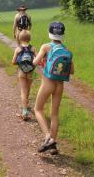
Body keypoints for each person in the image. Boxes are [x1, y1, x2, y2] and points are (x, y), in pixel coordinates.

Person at [32, 22, 74, 154]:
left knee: (37, 109)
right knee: (54, 114)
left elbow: (35, 62)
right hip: (59, 86)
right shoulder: (67, 51)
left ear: (50, 33)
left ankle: (48, 137)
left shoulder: (46, 47)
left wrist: (39, 58)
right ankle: (54, 145)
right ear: (63, 34)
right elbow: (72, 71)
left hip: (47, 83)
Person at [11, 30, 36, 121]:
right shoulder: (33, 48)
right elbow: (36, 61)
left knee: (23, 90)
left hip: (21, 72)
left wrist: (19, 62)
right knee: (28, 89)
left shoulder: (18, 49)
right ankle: (26, 104)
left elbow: (13, 62)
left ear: (19, 38)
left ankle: (24, 111)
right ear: (29, 38)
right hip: (31, 72)